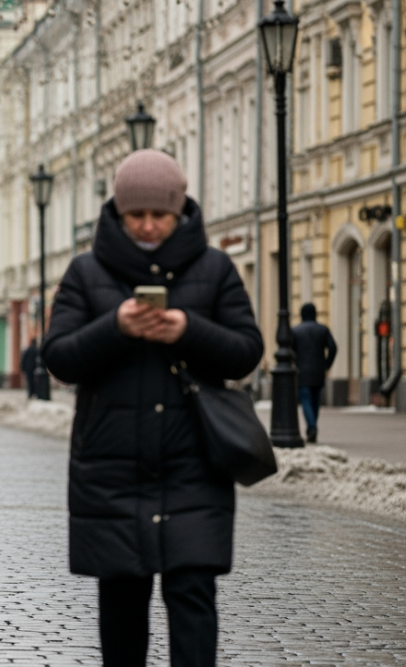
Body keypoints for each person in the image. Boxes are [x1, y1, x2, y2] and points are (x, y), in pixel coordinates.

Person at [42, 150, 263, 666]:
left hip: (195, 464)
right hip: (111, 468)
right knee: (122, 604)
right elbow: (59, 358)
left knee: (193, 597)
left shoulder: (215, 267)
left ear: (180, 210)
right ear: (117, 213)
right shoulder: (86, 271)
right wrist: (114, 327)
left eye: (158, 215)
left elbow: (248, 350)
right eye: (133, 215)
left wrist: (189, 329)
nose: (146, 226)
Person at [292, 302, 337, 443]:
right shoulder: (323, 329)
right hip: (319, 371)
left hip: (302, 372)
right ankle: (313, 427)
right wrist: (326, 365)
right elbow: (333, 348)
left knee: (306, 400)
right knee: (315, 401)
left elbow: (290, 351)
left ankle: (312, 427)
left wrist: (295, 364)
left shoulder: (296, 331)